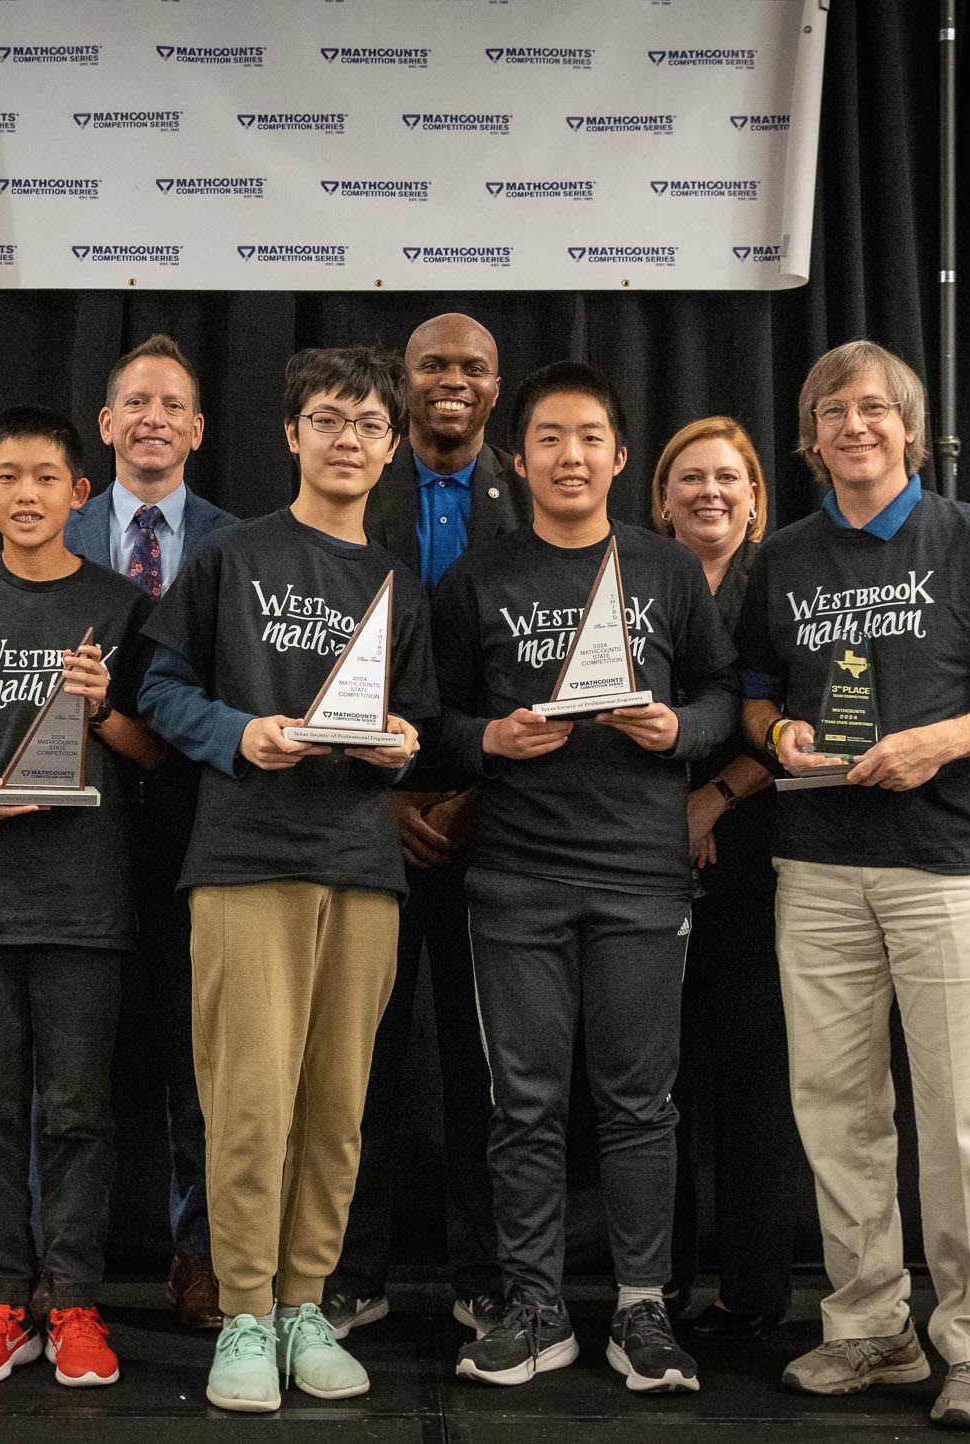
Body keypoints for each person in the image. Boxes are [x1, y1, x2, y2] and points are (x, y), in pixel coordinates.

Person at [735, 340, 970, 1431]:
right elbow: (748, 699)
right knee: (836, 1112)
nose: (853, 424)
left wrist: (940, 741)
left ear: (908, 429)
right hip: (818, 868)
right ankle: (869, 1330)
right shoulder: (779, 556)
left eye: (874, 407)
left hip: (948, 866)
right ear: (809, 435)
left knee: (965, 1115)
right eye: (831, 409)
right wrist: (776, 729)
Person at [138, 346, 435, 1413]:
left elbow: (420, 724)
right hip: (244, 860)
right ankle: (246, 1313)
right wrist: (237, 731)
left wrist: (401, 746)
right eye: (326, 418)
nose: (346, 438)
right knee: (248, 1101)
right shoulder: (229, 557)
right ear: (290, 432)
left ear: (391, 446)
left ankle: (309, 1300)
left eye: (366, 424)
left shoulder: (397, 577)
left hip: (360, 868)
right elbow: (159, 689)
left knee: (335, 1109)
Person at [434, 362, 739, 1394]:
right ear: (516, 459)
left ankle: (642, 1308)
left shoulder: (662, 570)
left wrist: (675, 729)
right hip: (514, 876)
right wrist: (487, 737)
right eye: (549, 439)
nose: (570, 456)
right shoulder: (475, 580)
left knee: (639, 1101)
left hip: (641, 878)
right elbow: (430, 721)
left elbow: (721, 694)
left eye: (590, 437)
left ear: (618, 455)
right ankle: (533, 1303)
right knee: (521, 1105)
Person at [0, 405, 166, 1390]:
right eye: (7, 476)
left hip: (86, 894)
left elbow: (155, 747)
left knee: (79, 1113)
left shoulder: (119, 604)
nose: (25, 493)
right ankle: (1, 1300)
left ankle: (76, 1304)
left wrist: (102, 709)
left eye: (46, 477)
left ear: (78, 493)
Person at [327, 312, 520, 1341]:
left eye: (471, 367)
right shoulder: (355, 495)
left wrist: (480, 791)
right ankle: (349, 1270)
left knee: (482, 1068)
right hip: (371, 812)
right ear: (402, 386)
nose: (451, 381)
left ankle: (483, 1273)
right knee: (363, 1058)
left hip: (499, 816)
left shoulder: (531, 503)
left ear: (497, 387)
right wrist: (390, 798)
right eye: (432, 366)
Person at [64, 334, 238, 1330]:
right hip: (66, 825)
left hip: (194, 820)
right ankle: (64, 1266)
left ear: (198, 428)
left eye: (172, 404)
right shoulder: (51, 525)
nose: (153, 419)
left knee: (198, 1054)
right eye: (135, 402)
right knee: (75, 1059)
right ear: (105, 422)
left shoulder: (238, 541)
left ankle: (200, 1253)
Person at [649, 418, 809, 1342]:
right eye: (690, 478)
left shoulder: (784, 578)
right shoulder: (638, 579)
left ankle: (753, 1293)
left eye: (729, 478)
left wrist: (714, 797)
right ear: (662, 499)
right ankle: (655, 1289)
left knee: (754, 1087)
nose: (710, 492)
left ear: (755, 496)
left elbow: (811, 708)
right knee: (652, 1090)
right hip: (645, 866)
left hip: (760, 867)